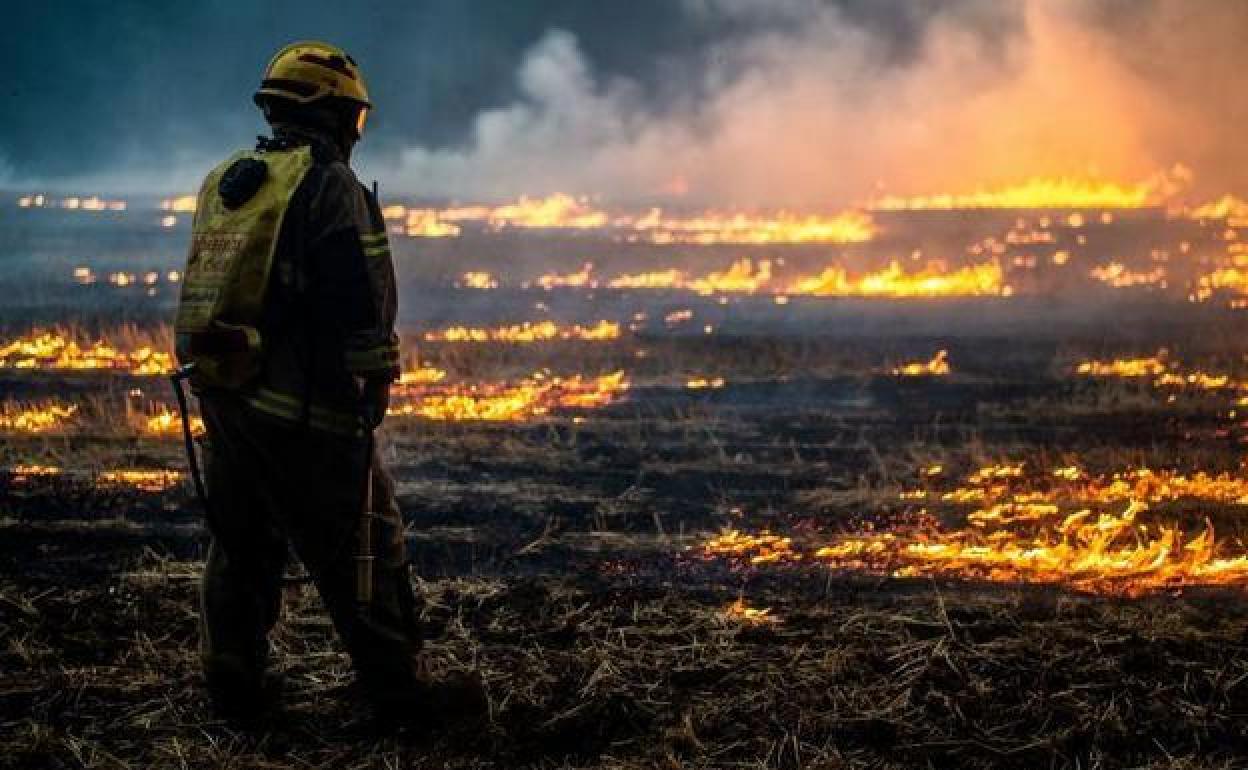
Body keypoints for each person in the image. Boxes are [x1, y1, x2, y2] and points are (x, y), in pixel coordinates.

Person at [174, 40, 429, 726]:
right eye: (355, 118)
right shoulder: (328, 186)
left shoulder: (229, 177)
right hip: (306, 410)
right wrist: (372, 386)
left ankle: (232, 681)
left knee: (242, 541)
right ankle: (401, 695)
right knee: (366, 543)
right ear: (337, 115)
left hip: (227, 398)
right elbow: (358, 299)